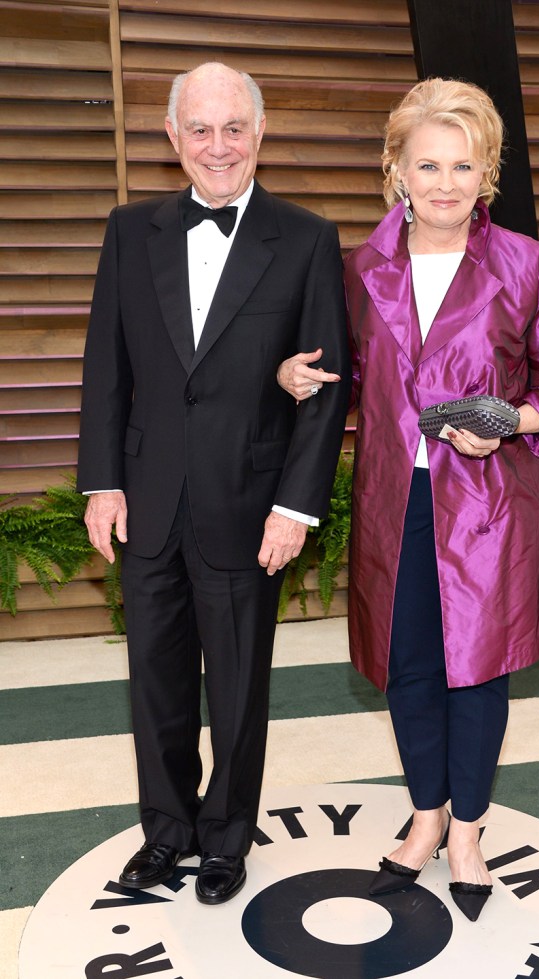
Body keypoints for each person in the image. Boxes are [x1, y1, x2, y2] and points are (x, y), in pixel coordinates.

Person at [279, 78, 539, 922]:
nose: (446, 182)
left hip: (489, 503)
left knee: (477, 672)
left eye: (464, 164)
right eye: (429, 163)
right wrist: (295, 378)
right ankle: (426, 816)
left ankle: (469, 831)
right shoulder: (360, 267)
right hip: (396, 498)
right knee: (407, 666)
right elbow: (345, 377)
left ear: (486, 171)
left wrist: (510, 418)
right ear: (397, 170)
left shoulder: (526, 262)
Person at [76, 62, 350, 905]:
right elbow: (104, 369)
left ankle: (228, 836)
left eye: (234, 127)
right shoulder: (130, 230)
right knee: (154, 683)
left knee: (236, 688)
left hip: (248, 502)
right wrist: (101, 482)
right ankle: (166, 831)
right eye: (200, 128)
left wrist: (296, 503)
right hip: (147, 502)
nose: (218, 146)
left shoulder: (305, 238)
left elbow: (327, 384)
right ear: (172, 136)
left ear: (260, 133)